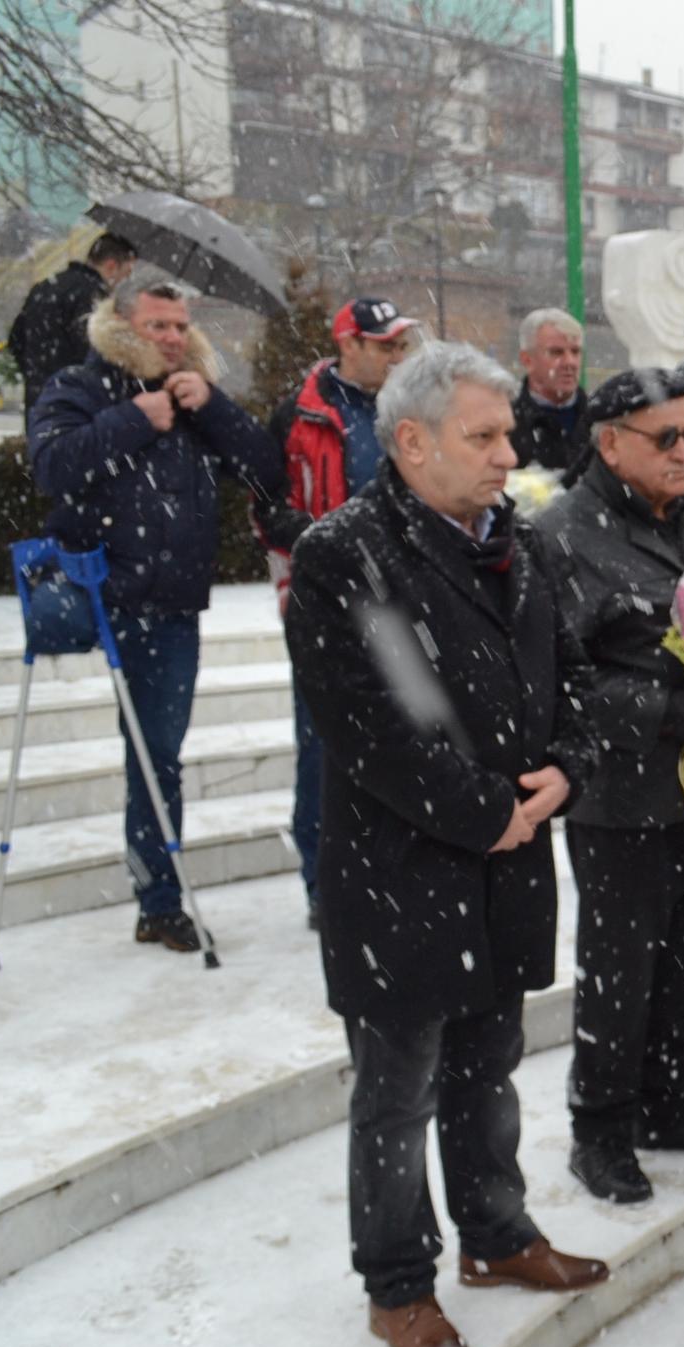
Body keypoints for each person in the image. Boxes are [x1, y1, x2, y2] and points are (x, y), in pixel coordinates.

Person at [285, 341, 610, 1347]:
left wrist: (568, 767)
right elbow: (380, 720)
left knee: (490, 1069)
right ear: (412, 441)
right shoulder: (350, 553)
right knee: (398, 1088)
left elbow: (583, 673)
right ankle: (398, 1282)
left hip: (502, 860)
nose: (509, 454)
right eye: (486, 436)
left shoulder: (523, 542)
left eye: (510, 432)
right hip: (404, 869)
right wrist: (486, 812)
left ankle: (497, 1234)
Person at [534, 370, 684, 1207]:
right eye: (663, 438)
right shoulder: (563, 534)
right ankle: (600, 1129)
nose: (683, 453)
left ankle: (671, 1101)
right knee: (619, 971)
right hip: (622, 796)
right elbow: (565, 682)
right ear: (609, 442)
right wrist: (670, 715)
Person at [27, 274, 285, 952]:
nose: (173, 339)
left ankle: (158, 897)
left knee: (159, 753)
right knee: (151, 754)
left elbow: (268, 470)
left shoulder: (194, 396)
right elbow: (52, 467)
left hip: (174, 605)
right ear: (120, 327)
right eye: (157, 327)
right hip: (106, 596)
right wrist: (133, 419)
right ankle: (161, 898)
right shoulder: (77, 387)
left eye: (180, 327)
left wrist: (216, 408)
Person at [254, 297, 419, 924]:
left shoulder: (410, 411)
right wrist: (319, 537)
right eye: (385, 346)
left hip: (400, 603)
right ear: (347, 344)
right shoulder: (296, 416)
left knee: (408, 734)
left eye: (401, 345)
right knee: (322, 748)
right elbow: (265, 508)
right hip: (323, 608)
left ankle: (394, 872)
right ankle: (326, 886)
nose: (397, 357)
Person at [8, 230, 138, 425]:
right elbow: (95, 350)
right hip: (78, 406)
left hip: (38, 402)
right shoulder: (95, 296)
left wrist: (37, 374)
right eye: (126, 274)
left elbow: (15, 340)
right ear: (111, 267)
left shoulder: (44, 287)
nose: (124, 282)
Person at [509, 307, 589, 471]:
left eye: (575, 351)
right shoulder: (506, 424)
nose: (570, 362)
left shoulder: (602, 419)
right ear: (527, 360)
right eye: (556, 352)